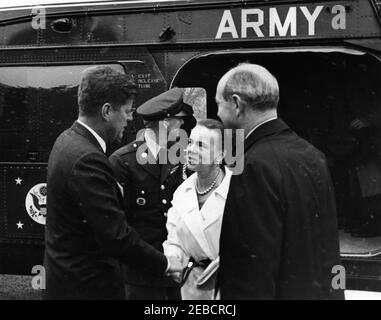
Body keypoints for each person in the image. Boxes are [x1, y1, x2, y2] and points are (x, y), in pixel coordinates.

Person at [44, 66, 181, 300]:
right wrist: (166, 263)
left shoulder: (68, 141)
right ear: (107, 110)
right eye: (126, 111)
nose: (129, 119)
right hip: (87, 288)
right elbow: (115, 236)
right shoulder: (88, 159)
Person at [215, 63, 344, 300]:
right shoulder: (312, 155)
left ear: (236, 104)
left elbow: (251, 268)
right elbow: (327, 250)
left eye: (219, 105)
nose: (218, 114)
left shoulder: (254, 165)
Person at [109, 88, 195, 300]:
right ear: (165, 123)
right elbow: (119, 222)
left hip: (176, 265)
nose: (182, 124)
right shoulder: (123, 161)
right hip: (141, 272)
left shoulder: (180, 155)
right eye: (179, 120)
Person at [163, 119, 232, 300]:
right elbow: (175, 241)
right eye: (191, 142)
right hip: (194, 288)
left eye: (200, 145)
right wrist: (174, 259)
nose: (190, 149)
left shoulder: (237, 190)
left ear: (219, 155)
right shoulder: (182, 192)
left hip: (232, 284)